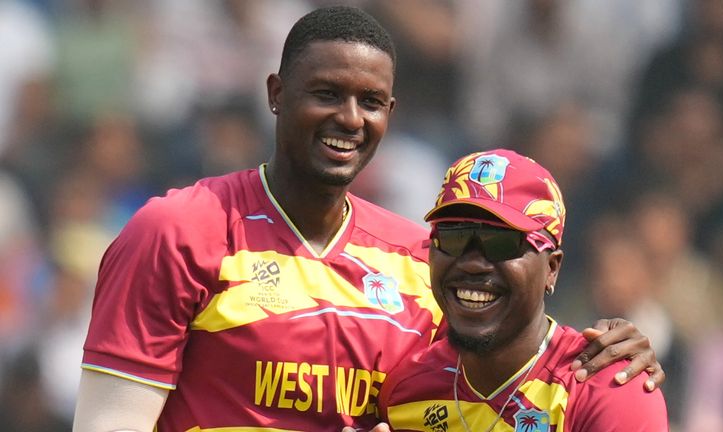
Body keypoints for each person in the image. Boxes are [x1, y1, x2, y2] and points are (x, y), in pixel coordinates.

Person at [73, 6, 664, 432]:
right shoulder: (178, 231)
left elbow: (504, 356)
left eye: (371, 102)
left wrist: (610, 350)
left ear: (391, 112)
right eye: (326, 93)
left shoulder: (421, 258)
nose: (350, 119)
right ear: (276, 93)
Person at [376, 149, 668, 431]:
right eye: (454, 237)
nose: (473, 263)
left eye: (502, 243)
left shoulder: (606, 391)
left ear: (551, 268)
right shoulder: (405, 391)